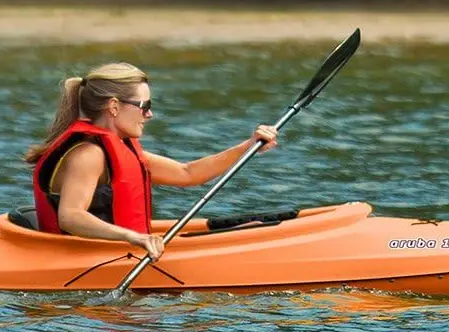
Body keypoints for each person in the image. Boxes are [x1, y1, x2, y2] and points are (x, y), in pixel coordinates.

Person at [24, 62, 278, 260]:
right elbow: (70, 217)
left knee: (251, 227)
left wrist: (249, 146)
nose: (149, 114)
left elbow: (187, 173)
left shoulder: (119, 148)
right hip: (82, 256)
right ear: (113, 106)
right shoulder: (88, 154)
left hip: (117, 250)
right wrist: (132, 237)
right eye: (144, 105)